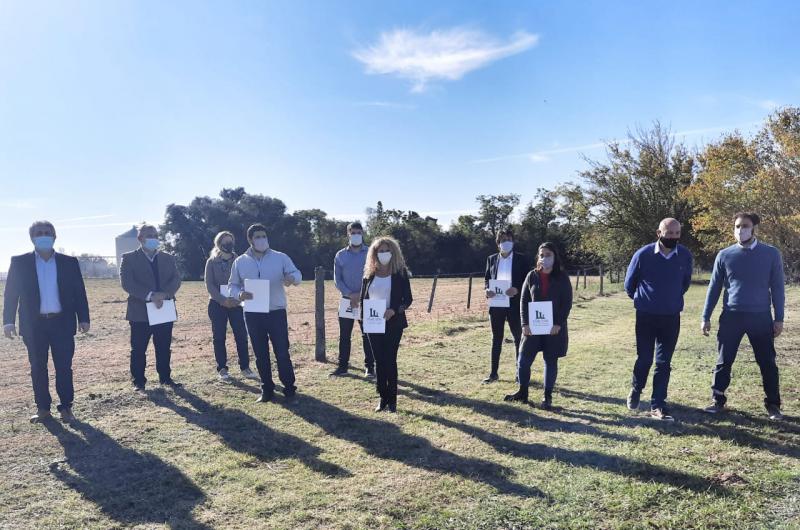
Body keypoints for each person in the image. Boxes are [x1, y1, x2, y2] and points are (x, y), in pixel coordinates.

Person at [701, 212, 786, 420]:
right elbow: (714, 288)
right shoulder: (725, 255)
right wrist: (706, 316)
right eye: (737, 226)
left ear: (753, 228)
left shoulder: (771, 254)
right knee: (723, 361)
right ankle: (717, 399)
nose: (740, 230)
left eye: (745, 226)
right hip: (731, 316)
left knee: (767, 362)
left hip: (760, 317)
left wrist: (779, 318)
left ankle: (773, 404)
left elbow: (777, 288)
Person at [3, 221, 90, 423]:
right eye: (39, 233)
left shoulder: (69, 262)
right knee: (37, 367)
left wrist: (84, 318)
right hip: (34, 325)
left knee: (64, 367)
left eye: (47, 233)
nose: (44, 236)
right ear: (32, 237)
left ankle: (66, 407)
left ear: (54, 236)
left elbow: (79, 292)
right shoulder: (19, 262)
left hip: (62, 323)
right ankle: (43, 408)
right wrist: (8, 321)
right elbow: (11, 294)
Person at [623, 218, 693, 420]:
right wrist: (644, 300)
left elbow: (685, 284)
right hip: (645, 316)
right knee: (644, 358)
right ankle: (636, 389)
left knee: (663, 363)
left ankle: (658, 405)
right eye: (668, 233)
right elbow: (630, 285)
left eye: (676, 233)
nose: (672, 237)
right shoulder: (643, 255)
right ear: (658, 233)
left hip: (671, 317)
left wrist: (670, 299)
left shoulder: (685, 256)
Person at [228, 223, 302, 403]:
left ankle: (289, 389)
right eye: (257, 237)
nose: (261, 240)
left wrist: (292, 278)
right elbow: (232, 285)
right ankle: (266, 389)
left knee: (282, 352)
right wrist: (239, 294)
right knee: (261, 353)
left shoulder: (280, 257)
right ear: (250, 240)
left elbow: (296, 273)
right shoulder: (240, 261)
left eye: (264, 236)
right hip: (252, 313)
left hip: (276, 311)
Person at [504, 242, 572, 410]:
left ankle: (547, 397)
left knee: (550, 360)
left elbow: (567, 303)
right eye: (541, 255)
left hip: (553, 329)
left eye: (548, 255)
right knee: (523, 360)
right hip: (532, 328)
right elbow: (524, 301)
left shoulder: (562, 278)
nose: (544, 258)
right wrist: (524, 324)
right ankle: (522, 392)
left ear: (555, 257)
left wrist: (558, 323)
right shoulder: (531, 276)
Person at [120, 223, 182, 391]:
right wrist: (150, 296)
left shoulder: (168, 258)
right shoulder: (129, 258)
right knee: (138, 349)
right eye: (149, 235)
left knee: (163, 346)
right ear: (140, 239)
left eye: (155, 235)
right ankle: (138, 382)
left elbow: (176, 279)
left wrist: (165, 294)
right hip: (140, 311)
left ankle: (165, 378)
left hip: (164, 307)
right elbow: (127, 283)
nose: (153, 238)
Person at [359, 236, 413, 413]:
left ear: (394, 252)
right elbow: (362, 299)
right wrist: (362, 320)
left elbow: (408, 299)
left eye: (387, 250)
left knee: (390, 360)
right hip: (373, 323)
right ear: (374, 254)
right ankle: (382, 397)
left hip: (393, 322)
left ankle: (393, 400)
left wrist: (394, 310)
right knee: (379, 361)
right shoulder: (369, 275)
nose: (384, 254)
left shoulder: (400, 273)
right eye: (380, 251)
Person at [204, 231, 258, 383]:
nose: (228, 245)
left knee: (241, 335)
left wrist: (237, 298)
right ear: (218, 244)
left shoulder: (240, 260)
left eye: (230, 241)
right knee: (219, 337)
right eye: (225, 242)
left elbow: (245, 280)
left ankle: (245, 367)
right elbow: (209, 285)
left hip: (237, 303)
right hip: (217, 304)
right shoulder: (211, 262)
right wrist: (222, 300)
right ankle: (222, 369)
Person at [483, 229, 530, 384]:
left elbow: (528, 281)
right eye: (503, 239)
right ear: (498, 243)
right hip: (496, 305)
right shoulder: (491, 259)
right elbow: (487, 279)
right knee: (496, 339)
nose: (506, 242)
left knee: (518, 338)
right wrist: (487, 290)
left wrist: (517, 289)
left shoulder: (521, 259)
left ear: (513, 241)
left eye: (509, 238)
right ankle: (493, 374)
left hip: (515, 305)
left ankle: (519, 373)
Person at [330, 222, 374, 377]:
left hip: (367, 299)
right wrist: (350, 294)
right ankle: (342, 367)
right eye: (353, 232)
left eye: (359, 232)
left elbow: (373, 276)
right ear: (348, 234)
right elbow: (337, 279)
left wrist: (360, 294)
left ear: (362, 233)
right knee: (344, 335)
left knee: (368, 334)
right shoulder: (340, 255)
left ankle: (370, 367)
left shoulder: (370, 253)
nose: (356, 235)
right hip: (346, 300)